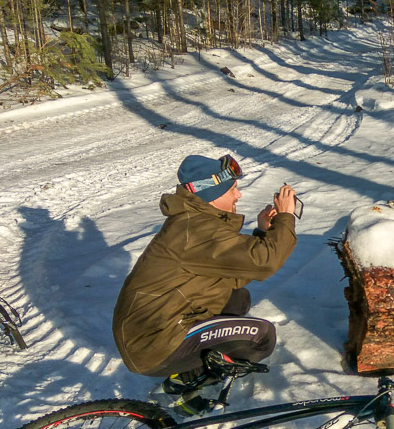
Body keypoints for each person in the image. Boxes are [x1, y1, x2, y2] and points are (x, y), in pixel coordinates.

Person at [112, 154, 298, 401]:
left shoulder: (195, 221)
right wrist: (285, 217)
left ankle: (192, 368)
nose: (238, 195)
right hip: (155, 343)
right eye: (232, 189)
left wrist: (262, 232)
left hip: (156, 329)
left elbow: (233, 274)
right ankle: (186, 385)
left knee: (236, 298)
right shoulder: (196, 231)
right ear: (211, 193)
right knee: (261, 337)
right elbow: (265, 261)